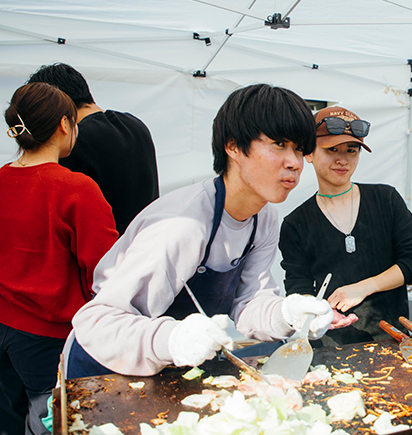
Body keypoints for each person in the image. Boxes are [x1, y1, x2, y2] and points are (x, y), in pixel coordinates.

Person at [64, 83, 334, 378]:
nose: (294, 163)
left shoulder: (264, 218)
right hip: (101, 372)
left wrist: (287, 314)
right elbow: (98, 323)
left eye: (299, 149)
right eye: (279, 144)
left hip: (171, 372)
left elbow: (248, 304)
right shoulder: (183, 224)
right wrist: (171, 339)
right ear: (233, 146)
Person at [0, 83, 118, 435]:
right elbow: (106, 271)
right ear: (65, 125)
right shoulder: (76, 189)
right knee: (51, 421)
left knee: (8, 420)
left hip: (3, 323)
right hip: (47, 338)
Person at [280, 106, 412, 346]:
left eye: (352, 150)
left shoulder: (385, 200)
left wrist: (364, 287)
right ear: (309, 153)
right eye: (332, 149)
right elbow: (298, 287)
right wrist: (316, 313)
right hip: (330, 346)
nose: (343, 159)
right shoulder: (296, 223)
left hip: (392, 339)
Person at [28, 63, 159, 235]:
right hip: (147, 237)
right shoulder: (136, 124)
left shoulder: (75, 141)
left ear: (53, 102)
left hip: (109, 245)